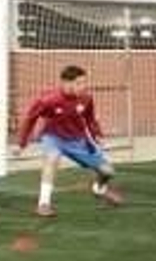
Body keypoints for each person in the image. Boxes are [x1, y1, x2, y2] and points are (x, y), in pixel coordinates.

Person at [18, 65, 124, 218]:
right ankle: (43, 204)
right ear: (66, 83)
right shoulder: (48, 100)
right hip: (53, 137)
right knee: (51, 159)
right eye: (79, 83)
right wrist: (22, 144)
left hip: (78, 140)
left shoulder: (86, 98)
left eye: (84, 82)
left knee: (107, 172)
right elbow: (30, 119)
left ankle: (99, 189)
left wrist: (96, 136)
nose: (83, 86)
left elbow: (90, 119)